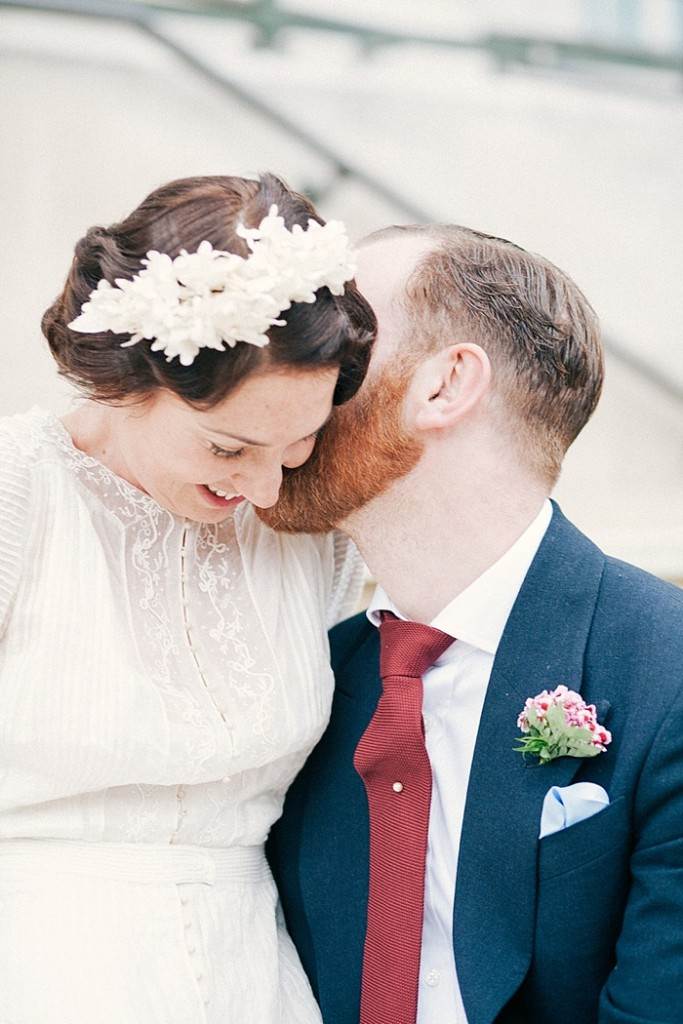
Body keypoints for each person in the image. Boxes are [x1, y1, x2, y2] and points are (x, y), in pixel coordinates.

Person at [265, 224, 683, 1024]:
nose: (291, 381)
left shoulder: (665, 675)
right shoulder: (301, 685)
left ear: (446, 385)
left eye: (341, 347)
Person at [0, 173, 376, 1023]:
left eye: (299, 445)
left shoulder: (312, 531)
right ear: (129, 375)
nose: (268, 489)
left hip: (256, 976)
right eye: (228, 446)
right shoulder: (15, 494)